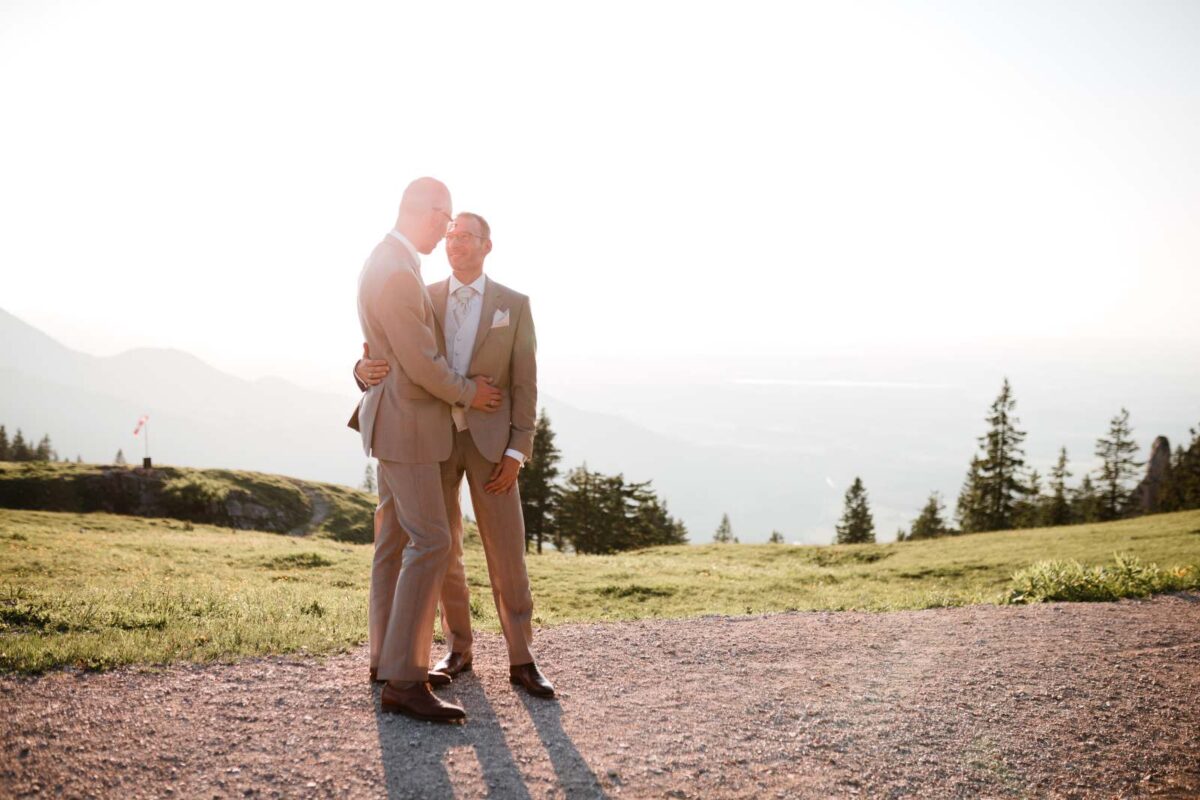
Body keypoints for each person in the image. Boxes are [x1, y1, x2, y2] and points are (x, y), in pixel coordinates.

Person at [355, 211, 555, 699]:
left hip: (492, 447)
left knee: (507, 552)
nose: (455, 242)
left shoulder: (515, 304)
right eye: (450, 235)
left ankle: (522, 658)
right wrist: (361, 370)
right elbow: (393, 352)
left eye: (466, 236)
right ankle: (458, 648)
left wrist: (517, 449)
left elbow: (526, 384)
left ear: (488, 245)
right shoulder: (424, 294)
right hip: (435, 438)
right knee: (444, 553)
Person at [349, 178, 503, 723]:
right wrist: (471, 394)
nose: (449, 230)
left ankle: (385, 661)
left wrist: (363, 368)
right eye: (447, 219)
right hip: (409, 427)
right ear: (428, 211)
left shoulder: (391, 259)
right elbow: (416, 361)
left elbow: (383, 350)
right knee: (432, 541)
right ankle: (405, 679)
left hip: (395, 423)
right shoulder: (395, 270)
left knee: (392, 543)